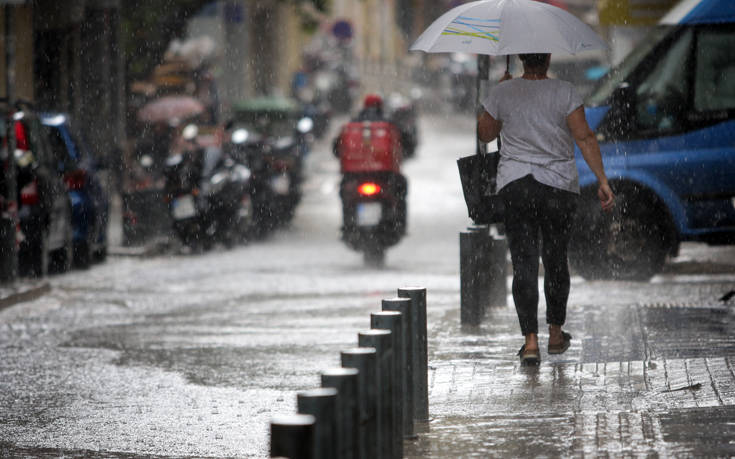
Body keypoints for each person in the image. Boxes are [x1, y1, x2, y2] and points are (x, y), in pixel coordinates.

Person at [477, 53, 615, 365]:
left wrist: (495, 96)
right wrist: (602, 179)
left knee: (523, 262)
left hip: (516, 187)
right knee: (555, 259)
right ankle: (555, 333)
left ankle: (530, 343)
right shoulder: (565, 91)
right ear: (549, 57)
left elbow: (485, 134)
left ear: (522, 59)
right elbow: (584, 137)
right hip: (558, 187)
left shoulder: (503, 92)